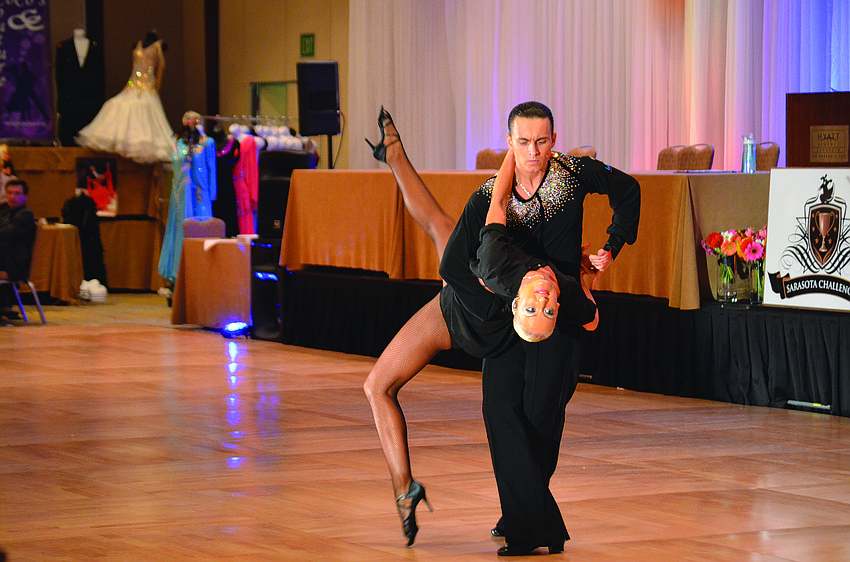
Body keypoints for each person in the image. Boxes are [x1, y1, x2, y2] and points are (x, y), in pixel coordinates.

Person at [365, 102, 640, 555]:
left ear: (553, 139)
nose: (534, 151)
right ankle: (521, 515)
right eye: (524, 142)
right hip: (487, 311)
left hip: (512, 310)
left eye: (543, 141)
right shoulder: (489, 211)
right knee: (442, 230)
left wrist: (608, 250)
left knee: (534, 416)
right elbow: (455, 261)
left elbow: (624, 196)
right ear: (510, 142)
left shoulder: (565, 179)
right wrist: (508, 301)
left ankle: (504, 509)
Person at [77, 30, 174, 164]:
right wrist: (128, 86)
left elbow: (160, 68)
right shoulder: (137, 45)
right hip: (132, 84)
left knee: (140, 110)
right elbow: (135, 69)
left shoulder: (159, 46)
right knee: (114, 104)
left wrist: (157, 89)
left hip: (148, 87)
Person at [0, 178, 37, 319]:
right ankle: (4, 305)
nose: (12, 197)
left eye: (17, 193)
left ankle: (4, 305)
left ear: (25, 196)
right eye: (9, 193)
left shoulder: (25, 214)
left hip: (15, 265)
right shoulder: (5, 212)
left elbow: (6, 234)